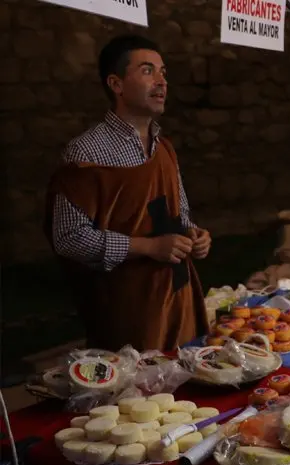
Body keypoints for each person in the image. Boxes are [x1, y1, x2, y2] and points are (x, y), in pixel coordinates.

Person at [44, 35, 211, 352]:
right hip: (127, 309)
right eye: (148, 71)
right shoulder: (87, 152)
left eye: (163, 72)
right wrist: (148, 246)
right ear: (116, 84)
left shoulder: (164, 148)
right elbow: (67, 237)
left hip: (178, 298)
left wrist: (193, 233)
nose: (162, 82)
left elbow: (180, 212)